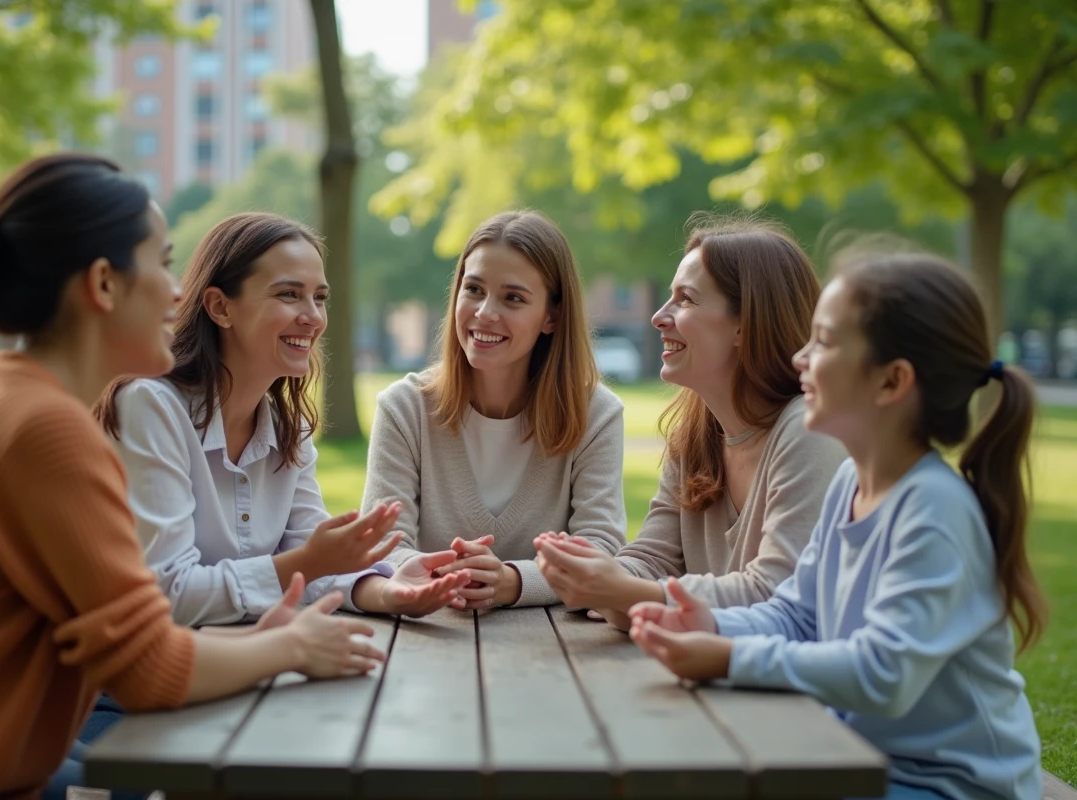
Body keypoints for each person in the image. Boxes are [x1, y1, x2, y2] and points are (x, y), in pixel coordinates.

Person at [0, 154, 388, 800]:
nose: (177, 293)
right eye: (163, 261)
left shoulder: (9, 399)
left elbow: (133, 644)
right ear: (104, 284)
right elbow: (151, 670)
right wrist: (291, 649)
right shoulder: (43, 429)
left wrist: (265, 639)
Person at [627, 244, 1047, 800]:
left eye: (823, 341)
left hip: (951, 785)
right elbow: (797, 615)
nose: (800, 357)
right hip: (860, 760)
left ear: (891, 382)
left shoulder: (933, 510)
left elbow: (882, 673)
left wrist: (729, 655)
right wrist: (709, 623)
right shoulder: (851, 483)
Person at [94, 212, 469, 629]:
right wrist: (305, 563)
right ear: (220, 307)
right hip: (137, 685)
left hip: (240, 666)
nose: (313, 317)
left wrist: (389, 591)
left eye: (320, 297)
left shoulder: (286, 426)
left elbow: (313, 556)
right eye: (289, 294)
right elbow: (166, 593)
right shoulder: (151, 407)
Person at [535, 217, 845, 628]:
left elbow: (776, 595)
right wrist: (591, 575)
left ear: (745, 323)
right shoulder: (697, 436)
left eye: (686, 300)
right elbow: (653, 558)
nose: (659, 317)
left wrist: (623, 593)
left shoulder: (808, 431)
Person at [360, 210, 627, 609]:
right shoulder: (404, 409)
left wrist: (513, 582)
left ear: (551, 317)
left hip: (555, 650)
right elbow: (383, 546)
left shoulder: (596, 415)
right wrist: (454, 577)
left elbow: (600, 548)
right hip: (424, 642)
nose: (485, 312)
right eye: (474, 289)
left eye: (513, 298)